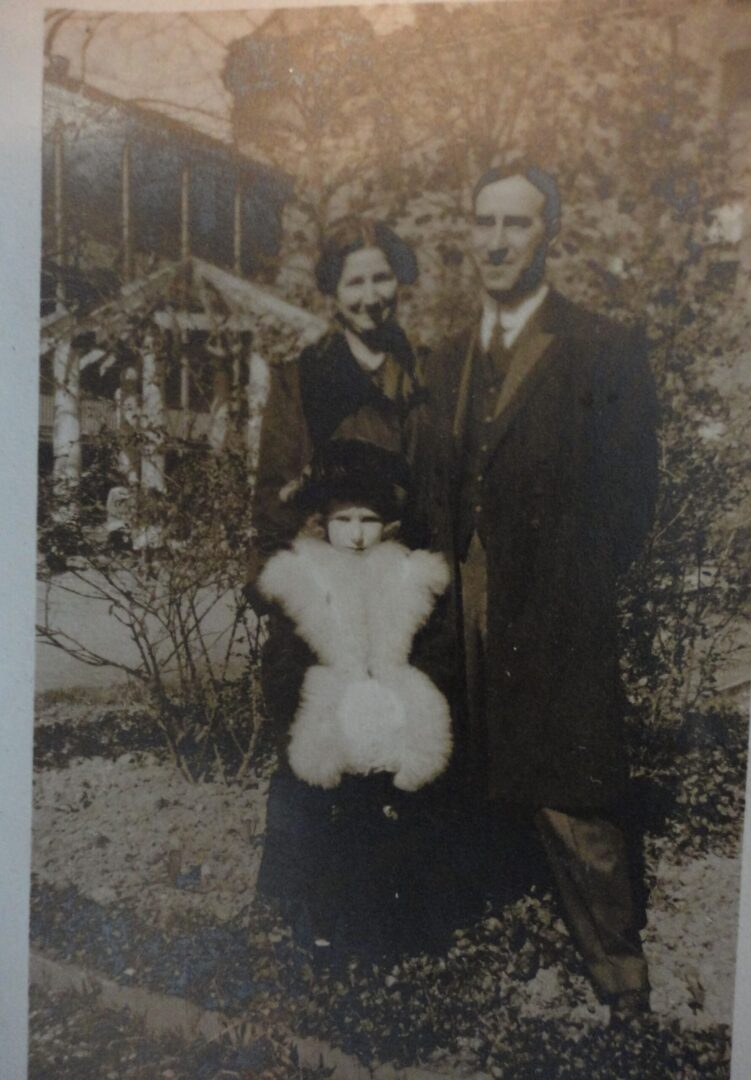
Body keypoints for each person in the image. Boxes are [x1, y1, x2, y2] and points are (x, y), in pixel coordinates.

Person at [417, 161, 658, 1020]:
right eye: (483, 222)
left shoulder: (602, 347)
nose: (495, 240)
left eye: (515, 224)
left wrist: (571, 587)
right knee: (451, 765)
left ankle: (621, 982)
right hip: (460, 602)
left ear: (548, 232)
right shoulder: (445, 360)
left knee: (572, 788)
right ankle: (460, 942)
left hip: (555, 607)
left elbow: (632, 497)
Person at [253, 439, 482, 963]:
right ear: (322, 520)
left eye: (369, 520)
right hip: (330, 719)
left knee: (394, 831)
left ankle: (395, 930)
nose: (356, 536)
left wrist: (406, 696)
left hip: (394, 720)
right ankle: (325, 927)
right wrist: (315, 700)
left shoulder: (409, 576)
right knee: (329, 831)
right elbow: (283, 663)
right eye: (344, 519)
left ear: (389, 524)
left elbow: (438, 655)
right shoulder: (303, 578)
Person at [248, 215, 427, 583]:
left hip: (408, 591)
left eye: (382, 279)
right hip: (323, 594)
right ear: (333, 290)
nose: (371, 298)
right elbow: (271, 505)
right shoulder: (299, 381)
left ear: (400, 280)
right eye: (355, 283)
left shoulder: (429, 375)